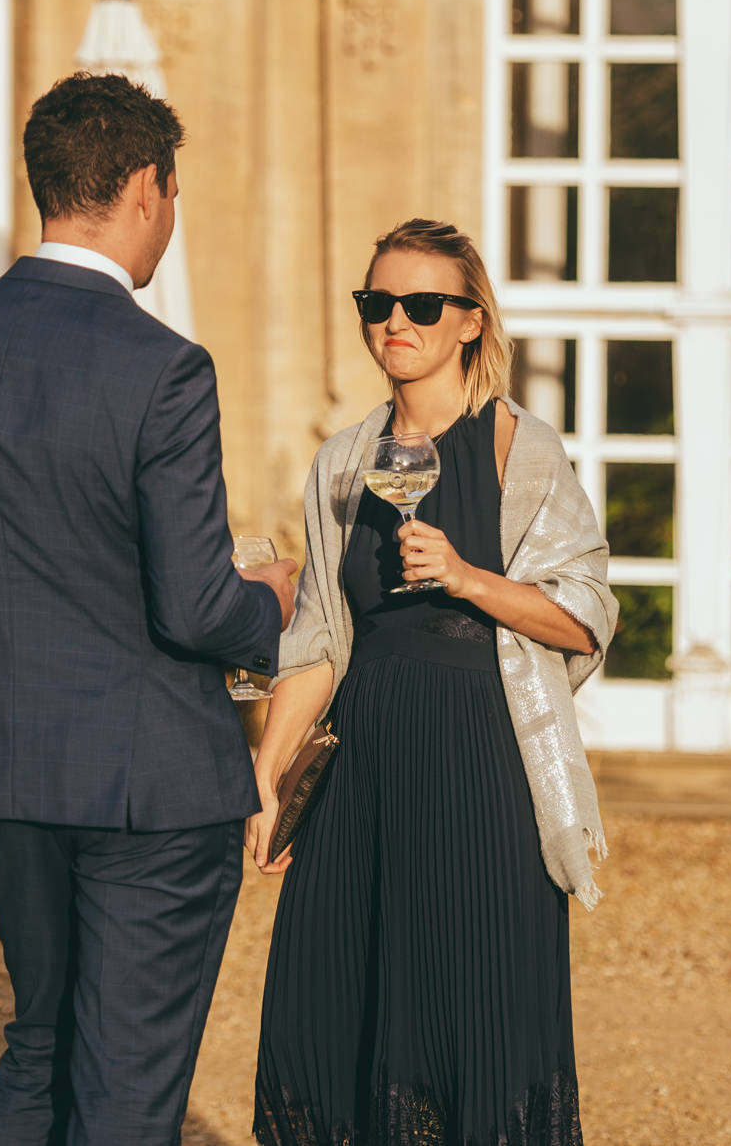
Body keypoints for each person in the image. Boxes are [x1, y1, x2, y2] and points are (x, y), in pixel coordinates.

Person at [0, 71, 298, 1144]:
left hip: (4, 765)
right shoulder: (160, 366)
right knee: (125, 1088)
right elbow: (198, 606)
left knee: (41, 1044)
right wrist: (278, 606)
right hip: (149, 783)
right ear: (149, 186)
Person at [247, 219, 616, 1146]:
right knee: (326, 1016)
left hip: (483, 769)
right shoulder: (340, 463)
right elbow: (320, 637)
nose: (394, 321)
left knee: (477, 1024)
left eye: (421, 304)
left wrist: (467, 577)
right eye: (378, 303)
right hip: (366, 769)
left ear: (470, 322)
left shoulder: (516, 451)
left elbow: (585, 618)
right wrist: (267, 774)